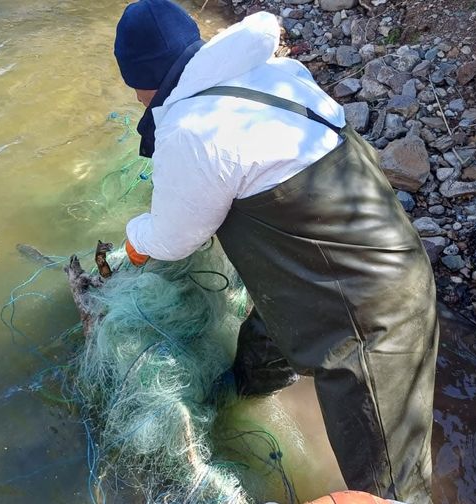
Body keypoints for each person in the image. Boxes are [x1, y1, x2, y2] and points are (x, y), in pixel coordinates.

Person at [113, 1, 439, 503]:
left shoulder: (190, 129)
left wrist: (134, 244)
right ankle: (240, 398)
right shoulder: (275, 74)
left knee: (391, 489)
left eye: (132, 85)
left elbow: (177, 238)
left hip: (372, 315)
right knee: (263, 343)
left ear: (142, 80)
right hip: (351, 266)